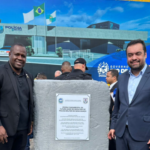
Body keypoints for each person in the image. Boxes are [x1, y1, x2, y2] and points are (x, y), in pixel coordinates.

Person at [108, 39, 150, 150]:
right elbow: (117, 106)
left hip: (144, 135)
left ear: (145, 55)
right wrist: (113, 127)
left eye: (138, 54)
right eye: (130, 55)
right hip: (121, 134)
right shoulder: (122, 77)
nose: (134, 58)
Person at [0, 43, 34, 150]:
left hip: (23, 131)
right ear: (9, 54)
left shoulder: (29, 76)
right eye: (17, 54)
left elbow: (30, 102)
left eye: (23, 56)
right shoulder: (1, 72)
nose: (20, 58)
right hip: (4, 131)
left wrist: (31, 122)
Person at [106, 69, 119, 150]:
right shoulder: (109, 87)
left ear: (114, 77)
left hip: (115, 120)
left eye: (107, 76)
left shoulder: (118, 87)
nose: (106, 78)